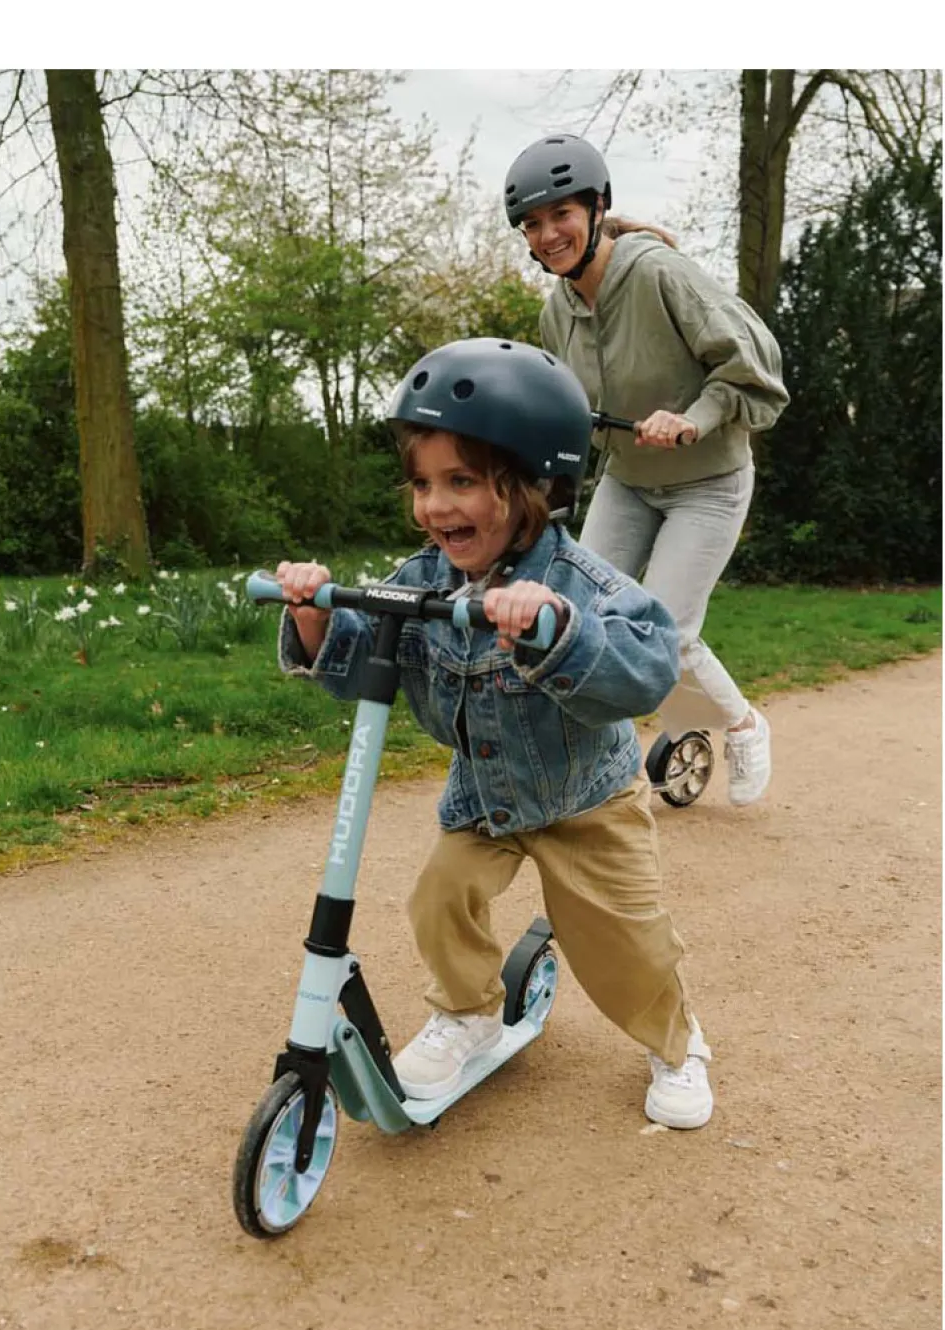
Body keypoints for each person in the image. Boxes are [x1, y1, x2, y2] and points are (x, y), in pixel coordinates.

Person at [273, 337, 715, 1130]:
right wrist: (315, 616)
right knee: (439, 899)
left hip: (587, 803)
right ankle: (468, 1014)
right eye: (422, 483)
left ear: (535, 484)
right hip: (484, 797)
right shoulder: (422, 581)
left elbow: (648, 669)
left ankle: (677, 1047)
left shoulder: (583, 583)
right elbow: (365, 667)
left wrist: (557, 629)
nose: (436, 506)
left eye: (463, 481)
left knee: (625, 946)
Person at [504, 133, 790, 806]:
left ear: (597, 208)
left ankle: (743, 724)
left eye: (561, 215)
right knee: (576, 615)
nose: (548, 235)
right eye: (532, 224)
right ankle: (595, 759)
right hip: (629, 482)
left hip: (708, 484)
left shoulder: (660, 274)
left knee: (664, 631)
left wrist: (695, 416)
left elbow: (756, 368)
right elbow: (571, 413)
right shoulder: (557, 312)